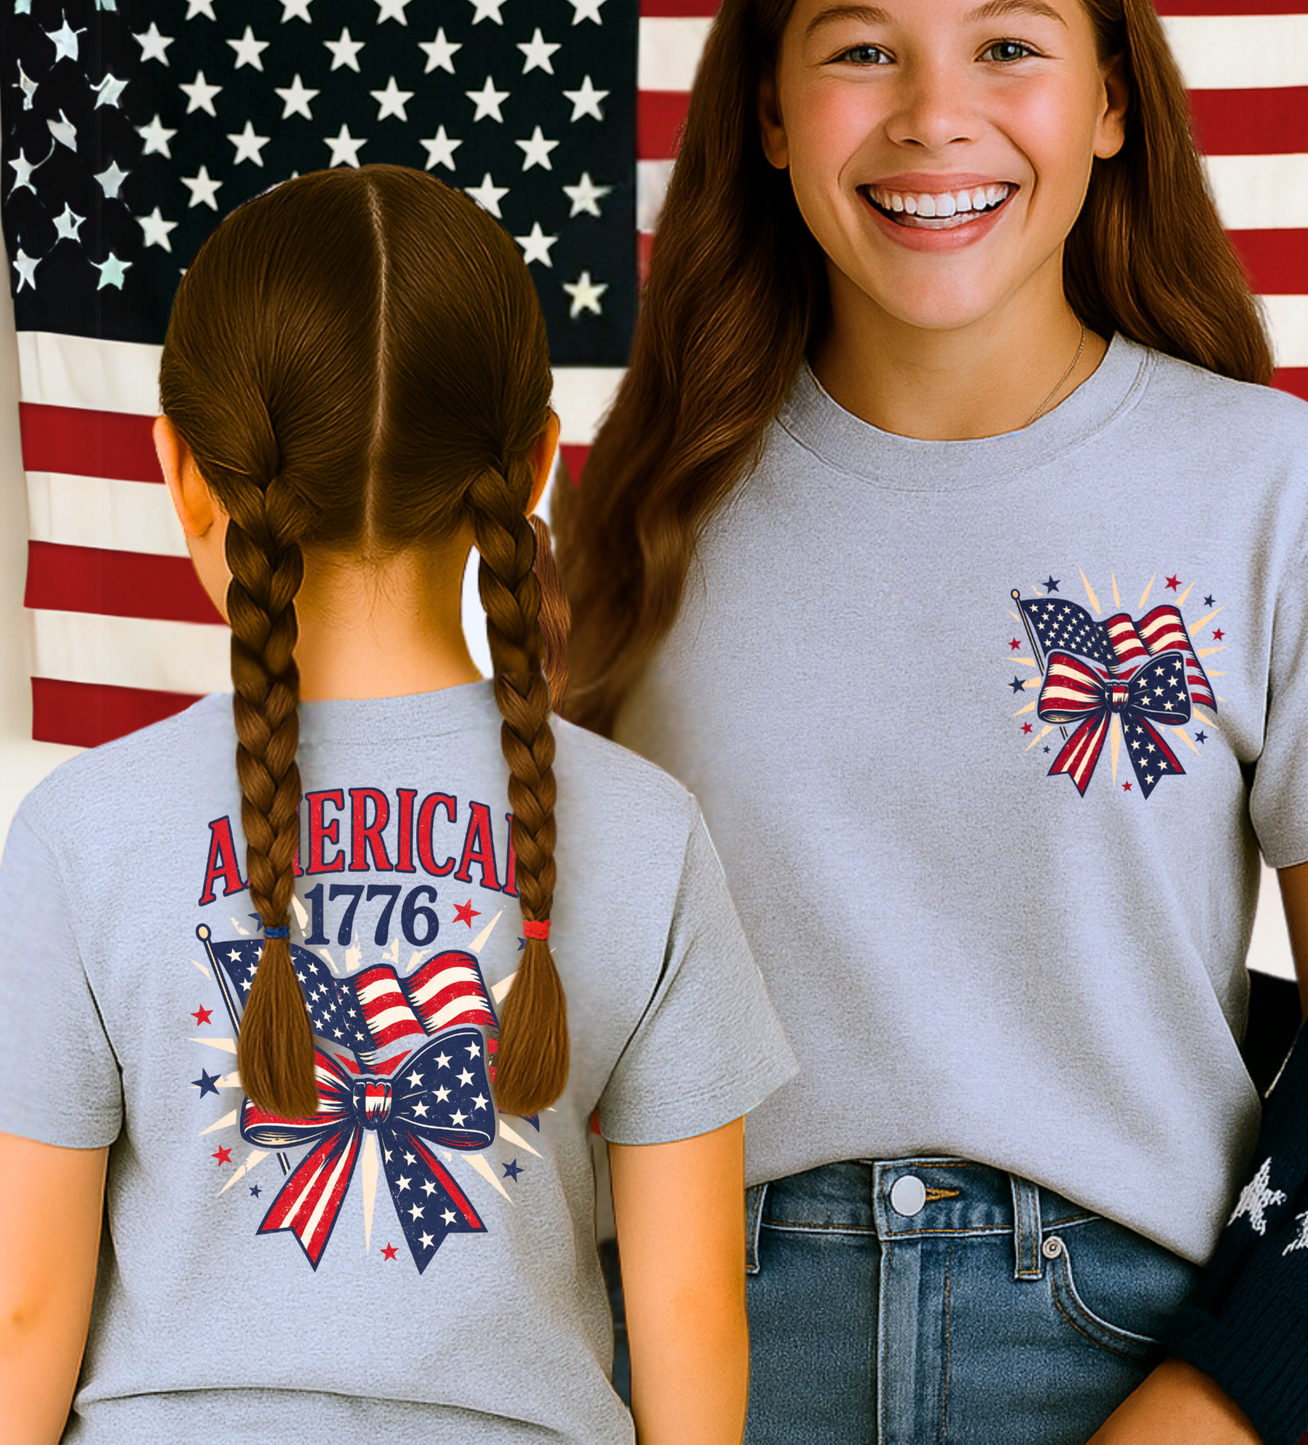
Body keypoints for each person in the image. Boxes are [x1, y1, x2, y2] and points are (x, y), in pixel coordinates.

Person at [548, 0, 1308, 1441]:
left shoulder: (1276, 490)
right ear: (768, 112)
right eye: (861, 50)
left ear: (1111, 101)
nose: (932, 113)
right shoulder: (630, 518)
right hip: (693, 1358)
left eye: (1007, 46)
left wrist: (1226, 1401)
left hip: (1137, 1356)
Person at [0, 164, 797, 1445]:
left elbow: (21, 1312)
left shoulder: (79, 832)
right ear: (533, 464)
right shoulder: (648, 834)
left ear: (183, 471)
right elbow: (692, 1313)